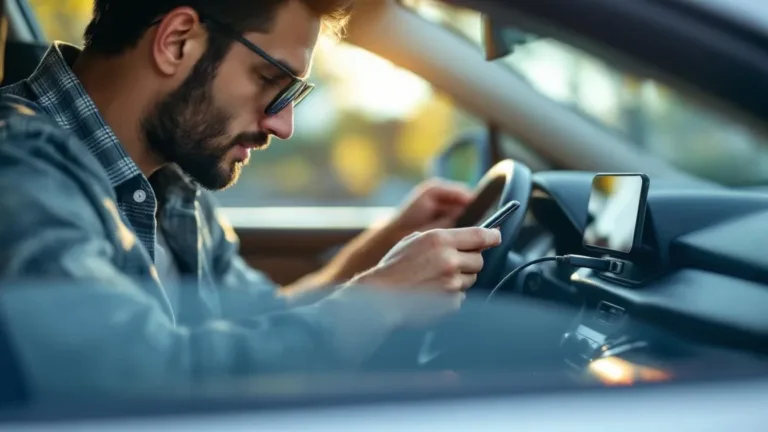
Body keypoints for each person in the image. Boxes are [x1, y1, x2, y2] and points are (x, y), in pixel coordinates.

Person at [0, 0, 500, 394]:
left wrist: (388, 245)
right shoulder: (18, 167)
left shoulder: (169, 183)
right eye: (270, 80)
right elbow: (132, 379)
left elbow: (260, 321)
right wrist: (379, 300)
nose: (282, 125)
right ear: (177, 41)